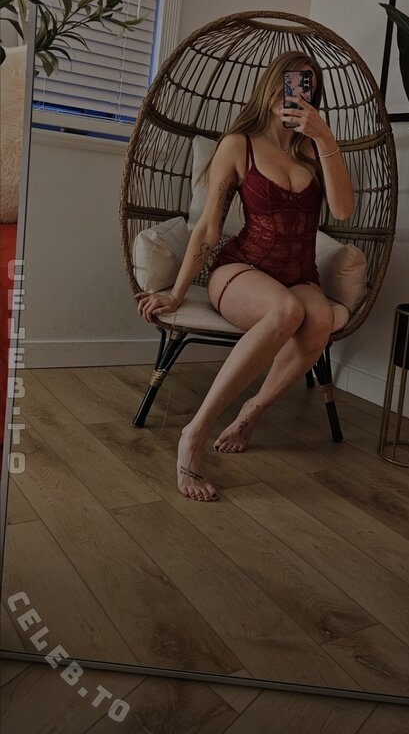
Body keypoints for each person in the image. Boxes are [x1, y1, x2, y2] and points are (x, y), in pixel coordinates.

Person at [134, 51, 355, 503]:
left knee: (319, 319)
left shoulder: (315, 149)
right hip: (241, 269)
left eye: (308, 86)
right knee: (286, 311)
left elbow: (343, 210)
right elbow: (209, 226)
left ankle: (253, 411)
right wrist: (177, 293)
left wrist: (325, 137)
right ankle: (195, 432)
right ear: (272, 84)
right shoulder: (239, 144)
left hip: (299, 274)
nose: (296, 92)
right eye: (291, 81)